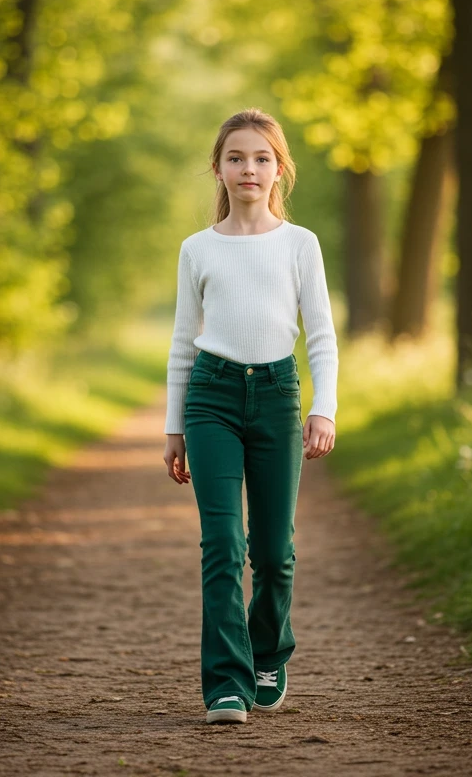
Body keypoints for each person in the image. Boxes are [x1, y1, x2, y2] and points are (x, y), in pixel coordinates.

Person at [162, 107, 339, 725]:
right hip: (209, 398)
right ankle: (227, 684)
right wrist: (173, 428)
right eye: (236, 157)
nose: (249, 168)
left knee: (273, 548)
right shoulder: (197, 249)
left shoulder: (300, 245)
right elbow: (183, 342)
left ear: (280, 169)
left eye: (262, 158)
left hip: (276, 394)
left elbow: (320, 335)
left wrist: (325, 408)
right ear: (218, 168)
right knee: (222, 543)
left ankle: (269, 654)